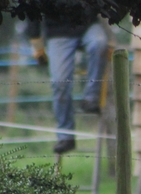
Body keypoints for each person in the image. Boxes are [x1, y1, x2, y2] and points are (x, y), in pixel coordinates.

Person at [28, 18, 110, 154]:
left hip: (87, 25)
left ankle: (91, 98)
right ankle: (65, 136)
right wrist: (37, 46)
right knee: (59, 82)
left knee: (99, 43)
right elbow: (31, 9)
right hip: (58, 32)